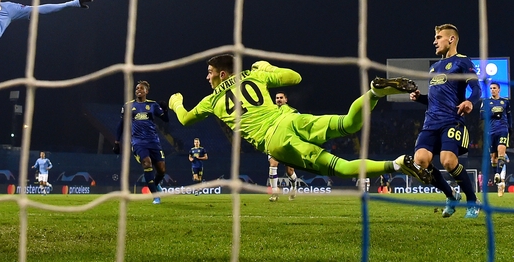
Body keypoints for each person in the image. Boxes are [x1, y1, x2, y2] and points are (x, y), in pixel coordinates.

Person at [167, 55, 423, 184]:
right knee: (349, 123)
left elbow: (186, 120)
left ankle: (397, 164)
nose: (207, 78)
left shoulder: (210, 100)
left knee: (342, 168)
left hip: (276, 140)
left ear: (222, 74)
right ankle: (374, 92)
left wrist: (176, 103)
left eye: (210, 73)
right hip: (290, 118)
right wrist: (267, 68)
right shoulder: (254, 75)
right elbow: (295, 77)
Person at [406, 24, 482, 218]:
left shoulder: (463, 62)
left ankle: (473, 201)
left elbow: (476, 89)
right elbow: (434, 99)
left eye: (439, 37)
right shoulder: (433, 68)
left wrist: (469, 102)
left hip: (451, 121)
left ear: (451, 39)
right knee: (420, 162)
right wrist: (420, 97)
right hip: (430, 123)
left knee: (448, 161)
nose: (434, 41)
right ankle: (451, 195)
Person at [113, 80, 169, 204]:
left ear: (146, 91)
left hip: (153, 141)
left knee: (162, 170)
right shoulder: (128, 106)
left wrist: (165, 110)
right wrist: (117, 142)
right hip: (138, 142)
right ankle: (156, 196)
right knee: (147, 163)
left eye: (141, 88)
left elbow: (166, 120)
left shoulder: (153, 105)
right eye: (137, 88)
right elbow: (121, 124)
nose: (138, 90)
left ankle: (154, 185)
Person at [479, 82, 511, 193]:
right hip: (490, 131)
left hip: (503, 129)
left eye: (494, 88)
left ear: (499, 89)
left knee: (501, 152)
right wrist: (493, 114)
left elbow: (509, 116)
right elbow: (481, 115)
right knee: (493, 157)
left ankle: (497, 173)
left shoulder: (505, 102)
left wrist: (510, 129)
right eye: (491, 88)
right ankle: (498, 179)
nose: (492, 90)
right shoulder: (486, 102)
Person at [268, 91, 299, 202]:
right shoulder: (271, 112)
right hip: (274, 142)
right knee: (273, 163)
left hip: (288, 143)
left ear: (286, 99)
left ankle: (294, 187)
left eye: (281, 97)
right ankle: (275, 193)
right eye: (277, 98)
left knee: (289, 171)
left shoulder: (293, 112)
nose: (279, 99)